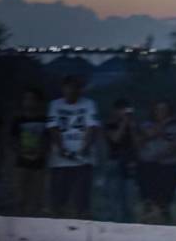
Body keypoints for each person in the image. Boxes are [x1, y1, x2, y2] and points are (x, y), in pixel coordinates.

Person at [46, 75, 100, 218]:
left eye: (75, 87)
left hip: (83, 160)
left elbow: (92, 127)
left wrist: (84, 148)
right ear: (63, 88)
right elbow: (53, 128)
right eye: (68, 87)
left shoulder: (89, 104)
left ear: (80, 89)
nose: (71, 90)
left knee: (82, 198)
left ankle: (82, 224)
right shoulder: (55, 104)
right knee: (58, 197)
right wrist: (62, 149)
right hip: (60, 161)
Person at [137, 100, 176, 223]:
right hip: (148, 166)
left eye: (164, 109)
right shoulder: (146, 125)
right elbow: (147, 136)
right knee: (148, 198)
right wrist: (163, 125)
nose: (161, 112)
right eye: (158, 109)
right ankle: (146, 220)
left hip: (168, 166)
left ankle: (165, 219)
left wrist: (159, 155)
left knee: (165, 198)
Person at [10, 88, 49, 216]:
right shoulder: (18, 120)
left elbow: (48, 140)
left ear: (39, 102)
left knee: (37, 197)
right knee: (20, 197)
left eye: (32, 99)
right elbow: (13, 140)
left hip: (39, 164)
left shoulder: (45, 120)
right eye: (26, 99)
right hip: (22, 163)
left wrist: (40, 152)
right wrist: (21, 152)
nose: (28, 102)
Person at [98, 98, 137, 222]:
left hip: (129, 164)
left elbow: (138, 142)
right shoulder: (109, 124)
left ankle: (128, 224)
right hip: (114, 163)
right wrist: (124, 123)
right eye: (121, 110)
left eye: (126, 110)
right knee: (113, 198)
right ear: (115, 111)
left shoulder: (132, 124)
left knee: (129, 198)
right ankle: (112, 223)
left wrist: (131, 126)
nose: (124, 113)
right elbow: (115, 139)